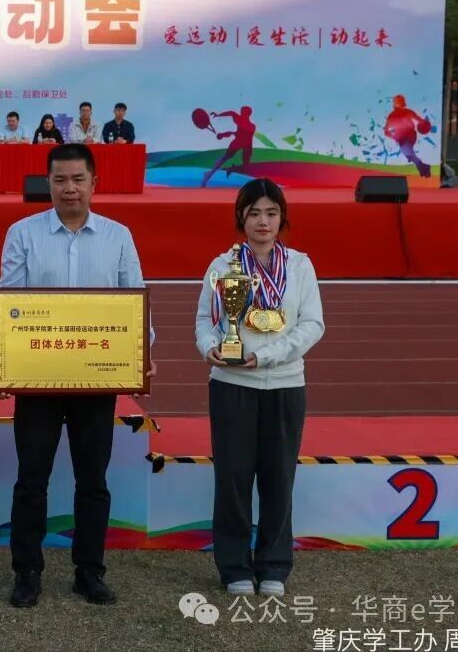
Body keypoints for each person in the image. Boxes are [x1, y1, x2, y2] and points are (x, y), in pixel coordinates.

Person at [0, 143, 155, 609]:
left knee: (93, 480)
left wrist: (140, 351)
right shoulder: (22, 233)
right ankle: (27, 572)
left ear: (93, 183)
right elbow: (10, 304)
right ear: (48, 183)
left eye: (78, 179)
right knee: (31, 479)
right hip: (38, 380)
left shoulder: (118, 236)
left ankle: (89, 571)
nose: (70, 188)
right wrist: (5, 357)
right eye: (60, 180)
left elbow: (135, 301)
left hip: (95, 381)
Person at [194, 178, 324, 598]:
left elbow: (312, 325)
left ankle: (273, 565)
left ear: (282, 217)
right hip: (231, 384)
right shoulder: (222, 266)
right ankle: (234, 567)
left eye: (271, 212)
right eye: (254, 213)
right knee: (232, 478)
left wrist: (266, 356)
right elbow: (205, 320)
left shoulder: (300, 266)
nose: (263, 221)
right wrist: (210, 348)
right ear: (242, 218)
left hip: (285, 384)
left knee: (278, 478)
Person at [201, 106, 256, 187]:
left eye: (243, 112)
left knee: (245, 164)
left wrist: (227, 134)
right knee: (224, 158)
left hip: (244, 144)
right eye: (241, 112)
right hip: (239, 143)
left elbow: (246, 138)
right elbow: (231, 113)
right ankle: (209, 174)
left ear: (248, 114)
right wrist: (218, 115)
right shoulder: (243, 121)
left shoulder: (250, 125)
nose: (241, 113)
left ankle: (246, 182)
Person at [384, 95, 431, 177]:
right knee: (409, 154)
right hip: (402, 138)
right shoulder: (392, 116)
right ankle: (424, 169)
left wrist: (425, 125)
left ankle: (424, 168)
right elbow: (386, 132)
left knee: (408, 153)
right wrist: (394, 136)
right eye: (397, 102)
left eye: (400, 102)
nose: (399, 104)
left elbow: (420, 121)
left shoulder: (406, 112)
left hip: (408, 136)